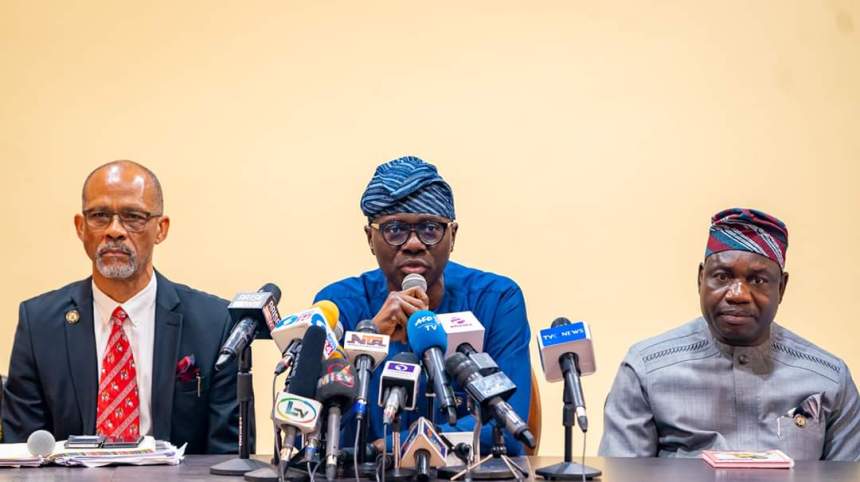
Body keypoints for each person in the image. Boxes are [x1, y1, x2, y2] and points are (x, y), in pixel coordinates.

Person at [2, 160, 244, 454]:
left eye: (133, 217)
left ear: (161, 229)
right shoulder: (39, 324)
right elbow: (21, 452)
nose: (114, 230)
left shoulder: (215, 324)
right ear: (80, 227)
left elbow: (229, 456)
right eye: (99, 216)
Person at [599, 208, 860, 461]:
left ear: (781, 288)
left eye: (758, 280)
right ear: (701, 279)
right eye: (722, 277)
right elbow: (623, 476)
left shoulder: (829, 379)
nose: (738, 295)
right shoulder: (647, 371)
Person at [313, 156, 532, 455]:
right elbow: (309, 435)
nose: (414, 244)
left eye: (430, 229)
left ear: (452, 236)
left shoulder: (495, 300)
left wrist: (393, 447)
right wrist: (369, 341)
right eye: (394, 229)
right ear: (370, 238)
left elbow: (509, 430)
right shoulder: (339, 307)